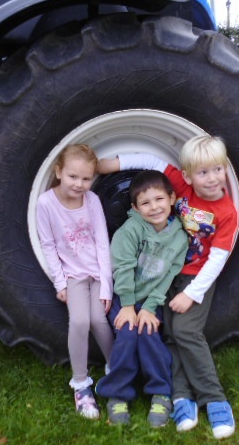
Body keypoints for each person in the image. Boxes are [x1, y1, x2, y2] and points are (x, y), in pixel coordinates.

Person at [97, 134, 238, 439]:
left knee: (186, 330)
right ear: (187, 177)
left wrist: (191, 292)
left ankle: (214, 399)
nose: (212, 179)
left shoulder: (227, 212)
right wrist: (108, 164)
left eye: (217, 169)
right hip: (164, 274)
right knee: (170, 332)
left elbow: (217, 258)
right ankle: (180, 396)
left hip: (193, 278)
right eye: (203, 172)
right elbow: (152, 163)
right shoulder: (183, 189)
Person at [95, 170, 188, 428]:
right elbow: (122, 268)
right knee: (126, 333)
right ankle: (118, 392)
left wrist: (148, 308)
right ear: (135, 207)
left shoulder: (179, 238)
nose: (154, 207)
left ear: (172, 198)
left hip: (150, 300)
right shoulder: (131, 230)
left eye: (159, 199)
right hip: (124, 296)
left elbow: (169, 275)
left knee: (148, 333)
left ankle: (160, 391)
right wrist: (127, 306)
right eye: (145, 203)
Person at [36, 144, 114, 420]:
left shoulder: (91, 201)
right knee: (80, 321)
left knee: (100, 319)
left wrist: (106, 285)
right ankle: (81, 385)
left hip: (97, 273)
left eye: (86, 178)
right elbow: (47, 245)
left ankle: (116, 369)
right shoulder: (46, 203)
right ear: (58, 171)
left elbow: (103, 243)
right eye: (72, 177)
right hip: (74, 276)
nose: (79, 184)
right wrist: (60, 283)